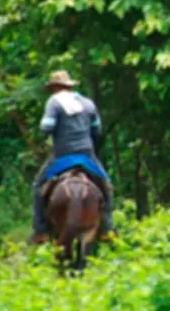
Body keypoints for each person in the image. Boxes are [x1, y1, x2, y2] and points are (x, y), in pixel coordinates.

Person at [30, 70, 115, 245]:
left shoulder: (54, 103)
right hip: (86, 155)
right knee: (106, 186)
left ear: (54, 87)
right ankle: (107, 228)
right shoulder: (87, 103)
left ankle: (40, 231)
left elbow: (46, 127)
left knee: (38, 186)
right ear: (69, 86)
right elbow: (97, 130)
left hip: (61, 155)